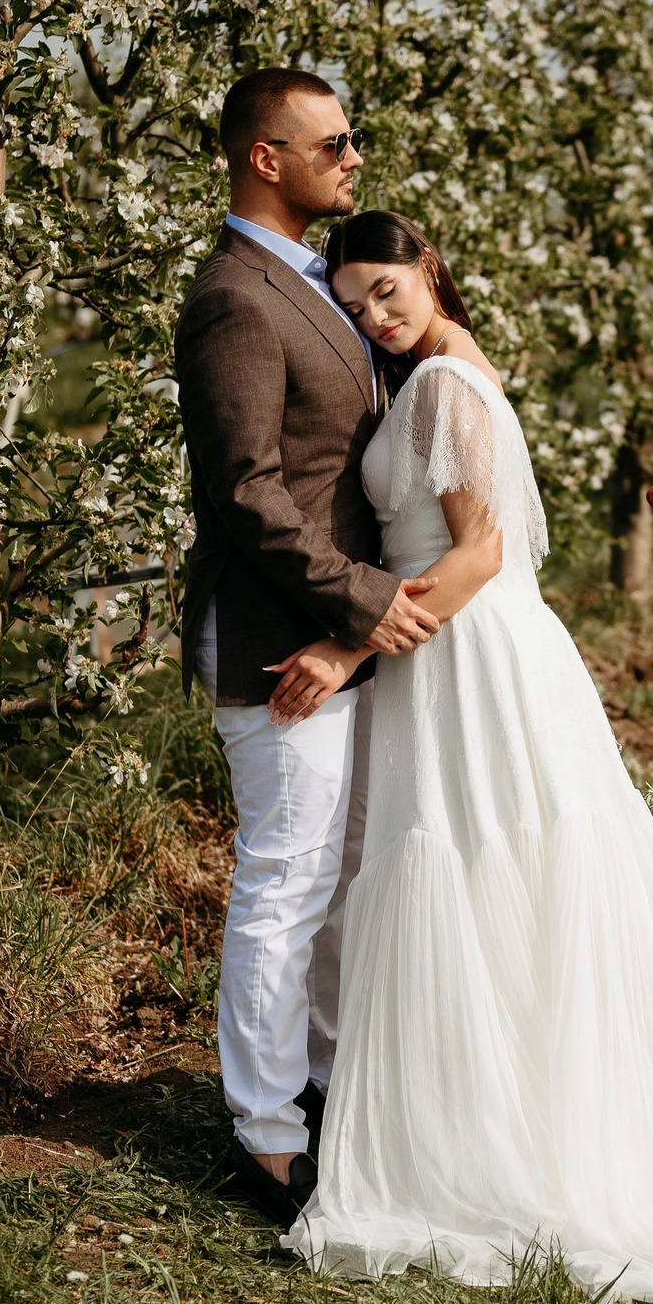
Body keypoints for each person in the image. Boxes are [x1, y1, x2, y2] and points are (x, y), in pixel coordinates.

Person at [272, 208, 653, 1302]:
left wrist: (341, 643)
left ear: (429, 269)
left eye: (388, 289)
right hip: (460, 651)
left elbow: (478, 550)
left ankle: (516, 1130)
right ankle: (498, 1100)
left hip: (468, 652)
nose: (374, 315)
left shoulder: (443, 387)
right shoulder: (457, 365)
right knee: (490, 865)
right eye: (354, 300)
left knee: (475, 857)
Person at [172, 68, 444, 1227]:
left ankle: (319, 1086)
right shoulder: (237, 294)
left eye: (356, 136)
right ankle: (266, 1134)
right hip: (283, 639)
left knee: (329, 876)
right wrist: (360, 601)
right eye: (332, 140)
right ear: (265, 158)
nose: (354, 154)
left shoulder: (314, 284)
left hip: (337, 634)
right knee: (285, 881)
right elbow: (246, 491)